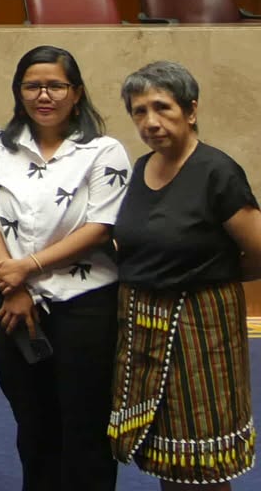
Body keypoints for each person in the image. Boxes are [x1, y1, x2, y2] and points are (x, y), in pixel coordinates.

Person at [0, 46, 128, 491]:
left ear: (76, 93)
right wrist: (13, 281)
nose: (44, 95)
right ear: (19, 93)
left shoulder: (103, 150)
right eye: (32, 86)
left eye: (56, 86)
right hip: (14, 305)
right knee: (33, 424)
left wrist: (28, 267)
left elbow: (100, 227)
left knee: (85, 424)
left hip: (86, 305)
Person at [109, 61, 261, 490]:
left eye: (162, 108)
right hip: (143, 324)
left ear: (190, 111)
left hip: (201, 329)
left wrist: (211, 275)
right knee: (166, 449)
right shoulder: (140, 168)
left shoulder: (217, 171)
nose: (150, 122)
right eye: (139, 111)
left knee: (201, 452)